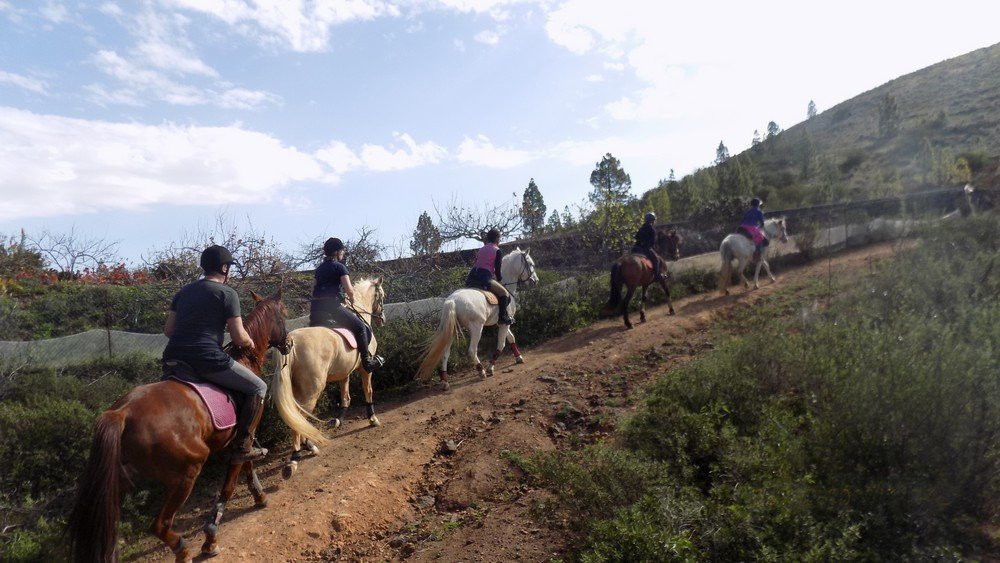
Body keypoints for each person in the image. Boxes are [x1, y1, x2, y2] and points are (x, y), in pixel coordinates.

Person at [162, 245, 268, 464]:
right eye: (229, 267)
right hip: (207, 360)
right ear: (223, 268)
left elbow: (169, 331)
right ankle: (243, 446)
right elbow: (239, 338)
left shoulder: (182, 292)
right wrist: (249, 341)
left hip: (173, 358)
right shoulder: (227, 293)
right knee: (259, 387)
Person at [308, 237, 384, 373]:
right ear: (337, 252)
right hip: (332, 308)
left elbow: (312, 289)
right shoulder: (340, 267)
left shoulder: (319, 269)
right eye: (342, 250)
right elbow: (349, 289)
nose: (343, 253)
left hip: (316, 309)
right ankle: (367, 363)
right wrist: (352, 301)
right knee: (361, 327)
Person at [465, 228, 513, 325]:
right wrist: (499, 280)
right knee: (505, 293)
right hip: (485, 277)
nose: (499, 241)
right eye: (499, 238)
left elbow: (478, 263)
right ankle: (502, 318)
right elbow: (498, 270)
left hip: (472, 276)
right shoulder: (497, 250)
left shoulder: (481, 249)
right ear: (496, 239)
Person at [632, 211, 664, 281]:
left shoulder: (641, 228)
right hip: (644, 249)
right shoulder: (652, 229)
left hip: (635, 248)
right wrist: (648, 245)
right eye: (653, 220)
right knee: (656, 260)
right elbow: (652, 242)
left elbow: (636, 237)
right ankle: (656, 276)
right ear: (652, 220)